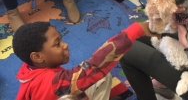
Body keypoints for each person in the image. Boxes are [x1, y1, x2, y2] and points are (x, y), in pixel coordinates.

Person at [12, 21, 156, 100]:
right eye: (57, 44)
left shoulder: (30, 69)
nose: (65, 45)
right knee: (100, 76)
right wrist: (135, 30)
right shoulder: (51, 82)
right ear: (37, 57)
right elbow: (91, 68)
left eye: (61, 40)